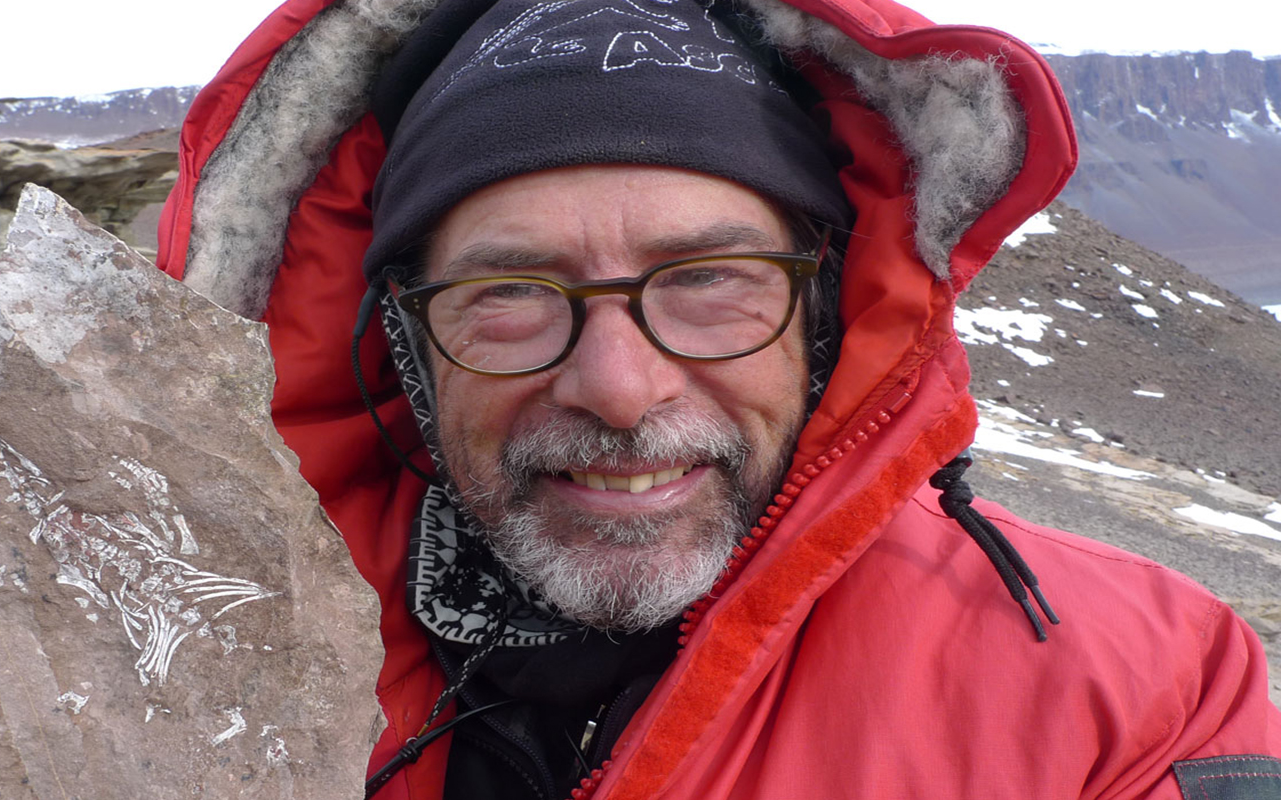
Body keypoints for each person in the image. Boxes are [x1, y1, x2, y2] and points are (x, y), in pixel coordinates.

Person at [155, 0, 1281, 797]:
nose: (615, 385)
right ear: (403, 337)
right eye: (509, 291)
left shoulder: (1131, 686)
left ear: (823, 309)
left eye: (706, 280)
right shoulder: (148, 644)